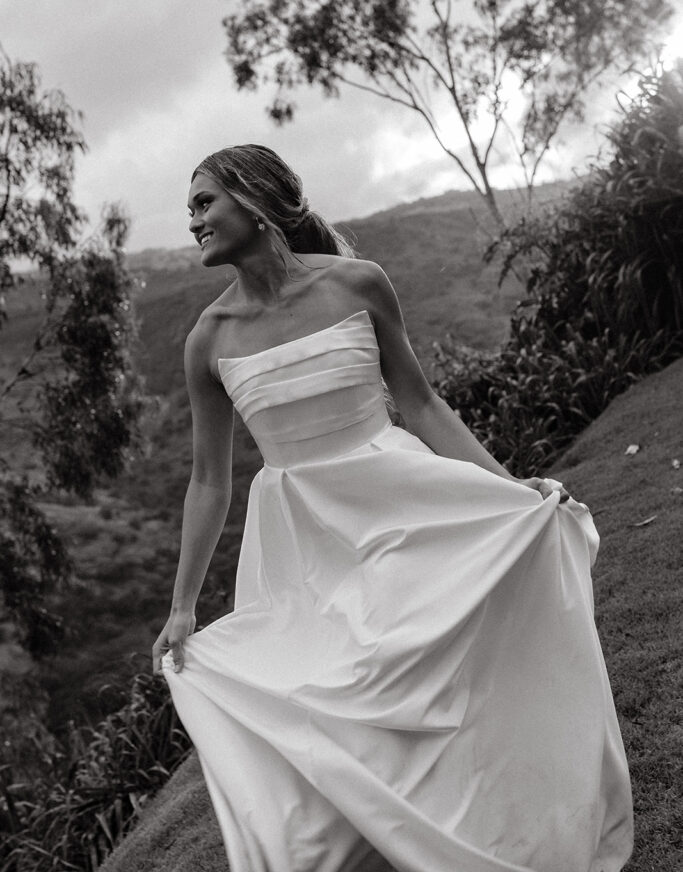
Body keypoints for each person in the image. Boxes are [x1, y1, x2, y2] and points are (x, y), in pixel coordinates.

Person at [152, 144, 633, 872]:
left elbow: (419, 402)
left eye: (202, 202)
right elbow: (208, 483)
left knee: (419, 673)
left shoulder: (357, 283)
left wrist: (508, 492)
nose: (192, 222)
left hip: (400, 503)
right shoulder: (207, 340)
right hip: (304, 536)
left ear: (252, 198)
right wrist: (183, 606)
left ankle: (491, 827)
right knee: (344, 692)